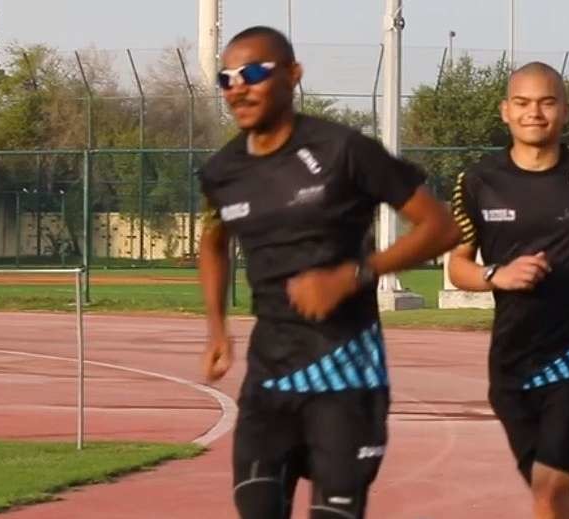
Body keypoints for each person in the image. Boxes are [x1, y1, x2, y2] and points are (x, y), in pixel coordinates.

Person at [196, 26, 460, 519]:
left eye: (253, 73)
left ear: (293, 75)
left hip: (346, 374)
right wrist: (216, 327)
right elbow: (212, 242)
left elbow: (441, 227)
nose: (239, 88)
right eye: (226, 79)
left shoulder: (344, 150)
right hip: (269, 377)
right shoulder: (221, 172)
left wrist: (353, 276)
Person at [447, 61, 569, 519]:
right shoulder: (477, 181)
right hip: (510, 363)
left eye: (547, 103)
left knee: (549, 493)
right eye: (523, 103)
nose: (534, 113)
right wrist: (497, 275)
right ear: (505, 111)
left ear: (565, 111)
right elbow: (457, 266)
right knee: (550, 496)